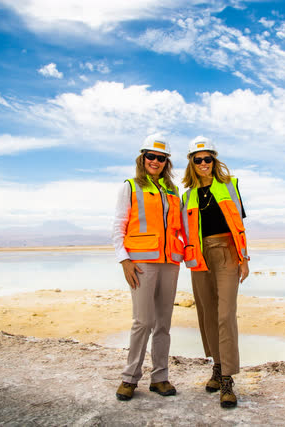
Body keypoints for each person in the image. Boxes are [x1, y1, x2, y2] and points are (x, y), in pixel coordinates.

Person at [112, 133, 184, 401]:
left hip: (169, 263)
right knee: (143, 321)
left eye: (161, 158)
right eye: (151, 156)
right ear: (142, 159)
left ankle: (160, 377)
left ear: (167, 162)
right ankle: (130, 378)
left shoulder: (172, 191)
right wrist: (124, 259)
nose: (155, 161)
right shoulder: (130, 187)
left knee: (163, 323)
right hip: (141, 263)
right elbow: (118, 225)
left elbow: (180, 228)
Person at [181, 136, 249, 408]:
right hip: (199, 257)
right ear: (191, 163)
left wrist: (244, 258)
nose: (203, 164)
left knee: (225, 314)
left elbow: (239, 226)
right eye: (198, 160)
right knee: (207, 314)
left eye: (207, 159)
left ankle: (228, 380)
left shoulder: (230, 185)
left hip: (227, 252)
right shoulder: (186, 195)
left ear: (214, 160)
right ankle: (217, 367)